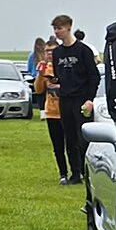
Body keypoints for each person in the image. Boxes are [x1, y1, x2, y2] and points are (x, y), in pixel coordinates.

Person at [49, 16, 99, 186]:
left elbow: (94, 76)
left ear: (69, 28)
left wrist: (90, 99)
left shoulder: (83, 50)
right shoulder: (57, 53)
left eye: (60, 28)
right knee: (69, 138)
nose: (57, 32)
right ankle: (75, 173)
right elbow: (59, 76)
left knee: (83, 137)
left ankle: (88, 172)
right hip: (65, 99)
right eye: (55, 29)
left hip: (82, 99)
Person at [35, 40, 69, 183]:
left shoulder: (64, 67)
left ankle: (78, 171)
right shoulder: (46, 69)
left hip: (67, 111)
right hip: (52, 112)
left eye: (52, 51)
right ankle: (63, 173)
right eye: (47, 51)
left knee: (72, 144)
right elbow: (38, 90)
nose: (49, 54)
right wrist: (40, 75)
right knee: (58, 146)